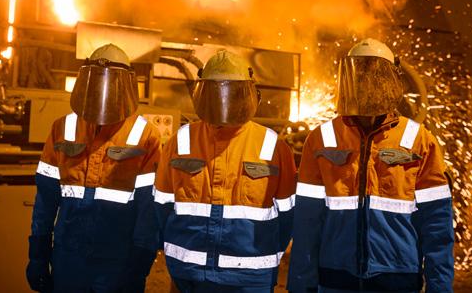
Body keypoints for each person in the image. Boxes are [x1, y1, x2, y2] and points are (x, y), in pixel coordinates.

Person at [287, 38, 454, 293]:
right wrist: (301, 284)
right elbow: (307, 222)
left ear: (391, 80)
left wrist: (439, 287)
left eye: (373, 75)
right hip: (335, 280)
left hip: (397, 280)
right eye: (360, 75)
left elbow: (437, 224)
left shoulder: (419, 140)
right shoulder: (322, 138)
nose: (366, 84)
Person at [154, 50, 297, 293]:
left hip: (249, 280)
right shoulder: (182, 140)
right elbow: (161, 205)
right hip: (189, 276)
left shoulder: (273, 147)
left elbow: (288, 216)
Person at [26, 43, 161, 292]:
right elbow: (45, 200)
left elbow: (148, 210)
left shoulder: (145, 136)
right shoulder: (62, 128)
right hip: (68, 259)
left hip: (118, 263)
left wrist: (139, 266)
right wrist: (38, 255)